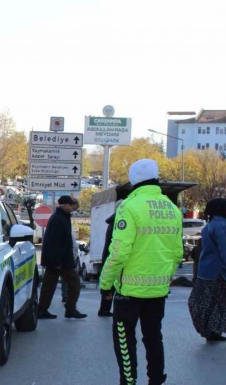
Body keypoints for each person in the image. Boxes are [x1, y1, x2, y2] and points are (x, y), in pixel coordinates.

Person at [100, 159, 182, 385]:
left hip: (129, 291)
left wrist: (105, 283)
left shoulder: (129, 207)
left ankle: (129, 381)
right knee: (154, 337)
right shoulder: (172, 209)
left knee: (124, 340)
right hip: (158, 290)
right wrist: (163, 276)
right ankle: (156, 380)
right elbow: (177, 253)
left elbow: (118, 253)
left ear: (133, 179)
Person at [38, 195, 87, 319]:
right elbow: (55, 242)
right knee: (74, 283)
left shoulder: (61, 217)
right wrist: (58, 261)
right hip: (60, 260)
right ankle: (70, 309)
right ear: (64, 205)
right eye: (70, 205)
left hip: (57, 260)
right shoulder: (59, 219)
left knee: (49, 286)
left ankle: (42, 309)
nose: (72, 207)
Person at [188, 198, 226, 342]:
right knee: (220, 303)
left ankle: (210, 331)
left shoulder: (209, 225)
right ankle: (212, 330)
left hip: (206, 271)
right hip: (219, 273)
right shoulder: (221, 226)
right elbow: (224, 250)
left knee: (204, 302)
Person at [98, 200, 122, 317]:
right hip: (113, 256)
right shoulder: (118, 223)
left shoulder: (113, 222)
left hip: (108, 255)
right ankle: (105, 310)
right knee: (112, 283)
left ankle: (105, 309)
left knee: (109, 283)